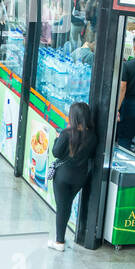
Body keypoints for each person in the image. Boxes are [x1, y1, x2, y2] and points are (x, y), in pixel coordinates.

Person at [50, 101, 98, 251]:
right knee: (67, 205)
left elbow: (56, 152)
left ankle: (59, 242)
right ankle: (61, 238)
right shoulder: (93, 136)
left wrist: (57, 138)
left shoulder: (66, 134)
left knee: (62, 207)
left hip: (63, 176)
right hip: (80, 177)